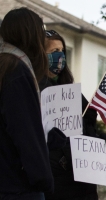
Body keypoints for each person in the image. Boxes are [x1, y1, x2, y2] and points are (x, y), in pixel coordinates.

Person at [40, 30, 106, 200]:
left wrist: (98, 139)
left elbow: (86, 126)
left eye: (62, 51)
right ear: (40, 55)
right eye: (53, 52)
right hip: (58, 180)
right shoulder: (35, 89)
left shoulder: (71, 90)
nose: (59, 56)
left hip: (83, 177)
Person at [0, 8, 53, 199]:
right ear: (31, 35)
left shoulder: (6, 66)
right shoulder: (16, 71)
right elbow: (25, 132)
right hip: (17, 187)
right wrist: (43, 179)